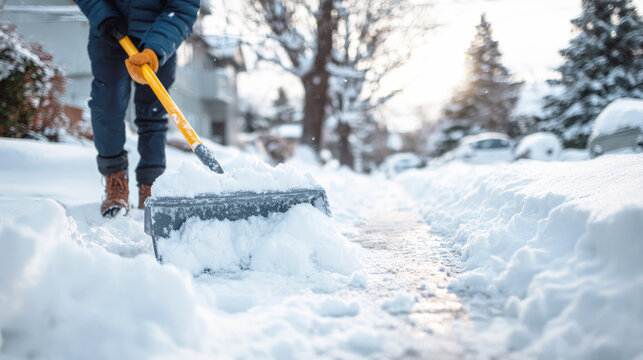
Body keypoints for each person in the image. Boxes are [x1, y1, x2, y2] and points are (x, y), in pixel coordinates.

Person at [74, 0, 200, 217]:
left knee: (153, 110)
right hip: (109, 33)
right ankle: (115, 182)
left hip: (159, 35)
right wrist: (104, 17)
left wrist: (155, 49)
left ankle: (151, 185)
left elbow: (183, 7)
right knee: (107, 105)